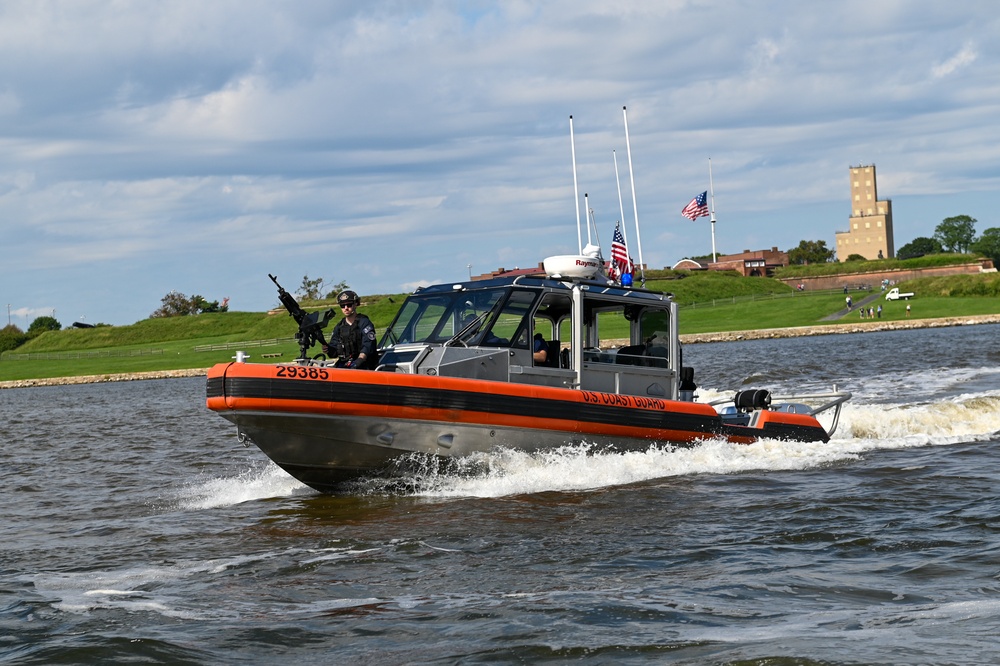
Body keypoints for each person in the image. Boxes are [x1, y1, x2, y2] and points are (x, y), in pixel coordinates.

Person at [323, 290, 378, 369]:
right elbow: (334, 352)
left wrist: (359, 361)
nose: (346, 308)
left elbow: (368, 345)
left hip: (364, 365)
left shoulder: (364, 323)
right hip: (345, 365)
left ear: (355, 304)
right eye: (342, 305)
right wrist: (328, 349)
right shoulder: (339, 327)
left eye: (349, 305)